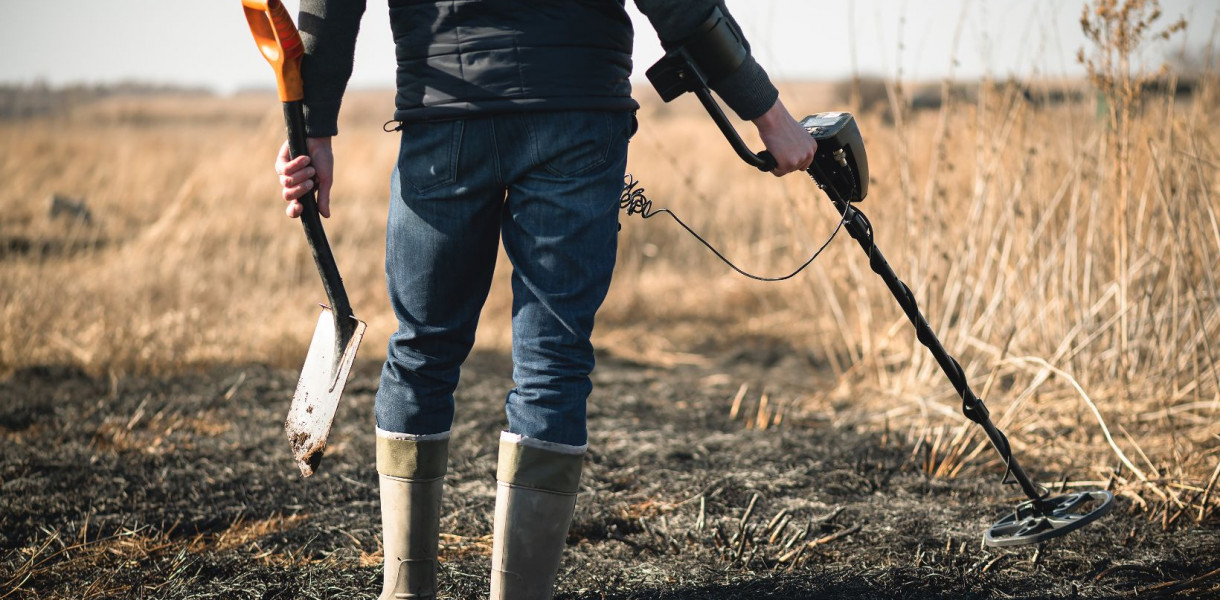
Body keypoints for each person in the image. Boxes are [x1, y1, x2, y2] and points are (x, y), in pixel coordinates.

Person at [273, 1, 816, 598]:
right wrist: (767, 113)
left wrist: (313, 128)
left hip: (445, 115)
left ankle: (405, 593)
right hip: (576, 111)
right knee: (552, 363)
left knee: (422, 351)